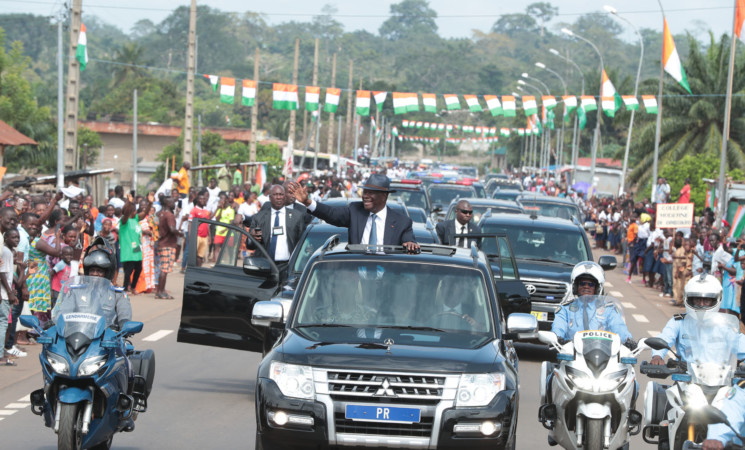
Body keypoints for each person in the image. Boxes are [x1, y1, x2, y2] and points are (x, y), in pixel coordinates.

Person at [288, 174, 419, 253]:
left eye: (370, 193)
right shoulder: (355, 211)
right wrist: (307, 202)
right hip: (356, 281)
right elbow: (331, 213)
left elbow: (408, 241)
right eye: (365, 192)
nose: (365, 196)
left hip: (387, 282)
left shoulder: (402, 222)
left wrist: (410, 244)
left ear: (384, 196)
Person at [650, 274, 745, 365]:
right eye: (697, 300)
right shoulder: (678, 322)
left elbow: (740, 343)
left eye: (706, 301)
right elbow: (665, 338)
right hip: (685, 378)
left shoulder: (725, 325)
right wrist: (657, 356)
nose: (701, 304)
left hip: (719, 379)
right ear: (688, 298)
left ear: (716, 299)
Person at [552, 261, 634, 346]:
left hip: (602, 354)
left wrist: (628, 341)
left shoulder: (609, 310)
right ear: (576, 286)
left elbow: (618, 327)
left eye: (591, 284)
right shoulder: (565, 310)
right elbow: (558, 328)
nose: (586, 286)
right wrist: (556, 338)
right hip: (571, 354)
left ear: (597, 288)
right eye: (582, 283)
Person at [248, 185, 307, 278]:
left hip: (287, 267)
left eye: (281, 194)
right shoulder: (259, 217)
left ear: (285, 197)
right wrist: (251, 237)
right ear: (270, 197)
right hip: (265, 267)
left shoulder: (297, 217)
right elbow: (250, 245)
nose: (278, 197)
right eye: (275, 194)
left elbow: (302, 243)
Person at [119, 196, 150, 294]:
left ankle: (133, 287)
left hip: (137, 249)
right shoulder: (124, 221)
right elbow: (126, 213)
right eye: (134, 210)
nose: (136, 212)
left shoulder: (136, 219)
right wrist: (129, 203)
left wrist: (150, 203)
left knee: (138, 268)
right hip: (128, 249)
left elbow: (145, 213)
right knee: (128, 270)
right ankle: (125, 288)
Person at [156, 197, 178, 299]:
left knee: (163, 268)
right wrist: (180, 234)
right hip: (168, 244)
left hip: (162, 243)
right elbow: (172, 229)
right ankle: (160, 292)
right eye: (173, 202)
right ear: (168, 204)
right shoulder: (169, 215)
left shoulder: (161, 214)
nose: (174, 203)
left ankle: (161, 291)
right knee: (164, 269)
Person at [189, 190, 211, 267]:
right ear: (197, 200)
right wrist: (190, 235)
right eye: (201, 199)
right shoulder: (194, 210)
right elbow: (190, 223)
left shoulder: (206, 211)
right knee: (194, 254)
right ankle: (191, 269)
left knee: (200, 256)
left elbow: (207, 224)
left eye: (204, 199)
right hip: (197, 235)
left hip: (205, 236)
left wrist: (210, 236)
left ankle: (198, 270)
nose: (203, 201)